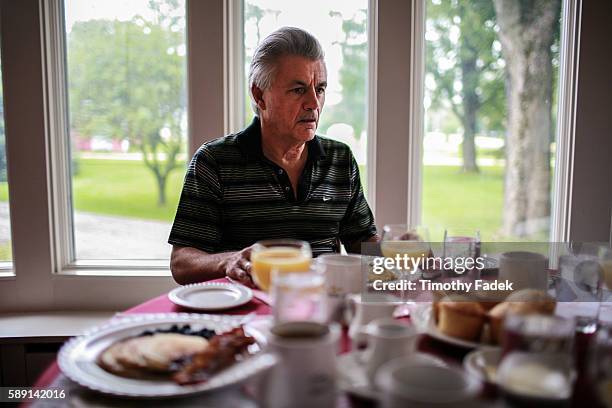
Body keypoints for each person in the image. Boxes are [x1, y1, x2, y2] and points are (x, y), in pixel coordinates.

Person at [168, 27, 378, 286]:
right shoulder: (213, 161)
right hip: (245, 311)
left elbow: (363, 243)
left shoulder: (340, 160)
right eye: (299, 90)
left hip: (321, 311)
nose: (314, 102)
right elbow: (181, 262)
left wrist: (403, 254)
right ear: (259, 95)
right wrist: (228, 261)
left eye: (320, 89)